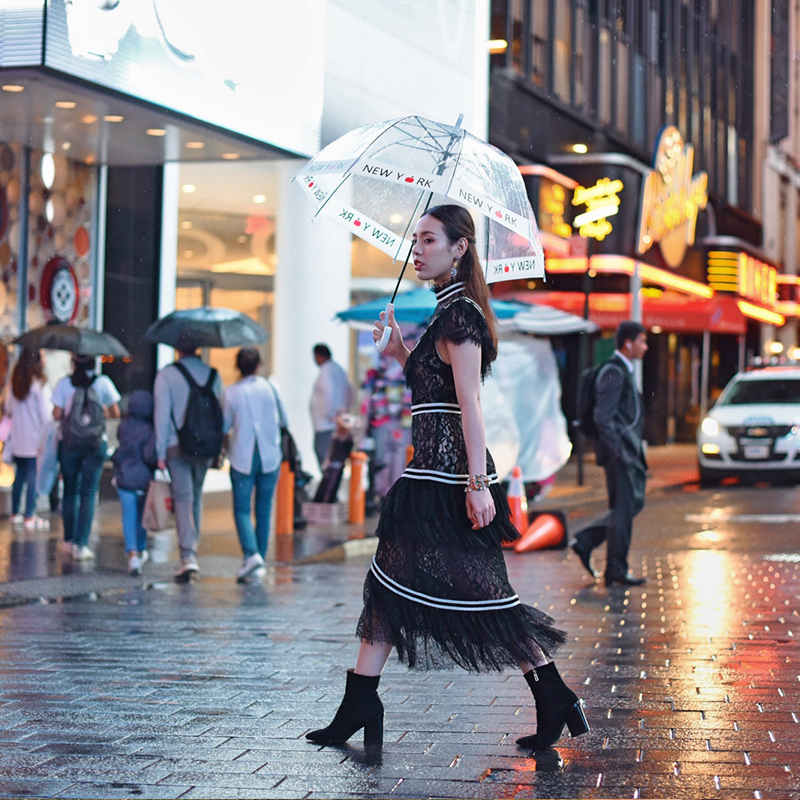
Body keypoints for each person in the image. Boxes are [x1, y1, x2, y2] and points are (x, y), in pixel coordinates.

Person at [305, 204, 588, 751]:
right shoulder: (442, 313)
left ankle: (553, 692)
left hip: (452, 483)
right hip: (427, 476)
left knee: (486, 597)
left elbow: (470, 403)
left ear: (459, 249)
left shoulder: (461, 318)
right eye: (417, 239)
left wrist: (478, 485)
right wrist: (398, 350)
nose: (418, 248)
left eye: (429, 239)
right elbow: (432, 386)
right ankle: (360, 702)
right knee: (387, 588)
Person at [570, 320, 649, 587]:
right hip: (620, 455)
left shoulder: (621, 371)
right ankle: (615, 568)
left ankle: (586, 542)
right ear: (628, 343)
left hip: (626, 453)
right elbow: (603, 417)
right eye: (642, 341)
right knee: (623, 508)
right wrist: (618, 452)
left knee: (628, 506)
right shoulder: (614, 372)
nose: (645, 347)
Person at [154, 334, 224, 582]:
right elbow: (220, 414)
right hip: (205, 446)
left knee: (183, 497)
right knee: (195, 494)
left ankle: (188, 556)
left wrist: (159, 453)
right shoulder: (214, 374)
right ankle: (192, 546)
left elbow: (161, 417)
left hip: (176, 446)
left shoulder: (166, 376)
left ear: (177, 348)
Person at [223, 347, 284, 583]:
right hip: (270, 455)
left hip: (242, 456)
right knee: (264, 509)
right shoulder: (271, 387)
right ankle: (259, 560)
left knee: (241, 510)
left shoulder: (232, 392)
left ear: (238, 367)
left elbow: (225, 425)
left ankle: (251, 554)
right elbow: (285, 420)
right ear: (259, 365)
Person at [53, 354, 121, 560]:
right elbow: (116, 412)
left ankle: (67, 540)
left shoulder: (64, 384)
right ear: (93, 363)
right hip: (95, 444)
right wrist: (97, 413)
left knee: (70, 492)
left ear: (73, 363)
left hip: (69, 444)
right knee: (89, 493)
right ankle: (81, 544)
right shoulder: (103, 383)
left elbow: (56, 414)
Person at [111, 390, 157, 576]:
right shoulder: (149, 429)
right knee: (142, 516)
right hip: (144, 478)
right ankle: (141, 547)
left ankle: (132, 554)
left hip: (124, 477)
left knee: (128, 515)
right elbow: (150, 455)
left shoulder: (123, 426)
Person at [6, 348, 51, 530]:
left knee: (20, 476)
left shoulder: (16, 384)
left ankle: (15, 512)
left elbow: (8, 408)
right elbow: (46, 416)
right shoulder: (39, 384)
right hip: (35, 438)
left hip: (18, 437)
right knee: (33, 475)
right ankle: (30, 515)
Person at [310, 343, 354, 470]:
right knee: (334, 460)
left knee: (326, 460)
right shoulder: (338, 369)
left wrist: (329, 414)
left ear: (318, 356)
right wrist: (344, 411)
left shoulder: (326, 371)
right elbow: (350, 392)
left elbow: (328, 393)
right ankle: (331, 487)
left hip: (326, 424)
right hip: (336, 422)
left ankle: (328, 488)